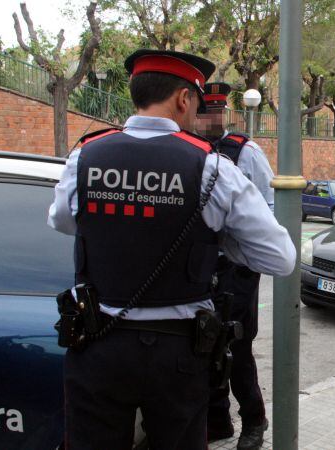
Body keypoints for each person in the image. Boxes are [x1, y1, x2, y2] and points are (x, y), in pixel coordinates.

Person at [47, 49, 296, 450]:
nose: (197, 114)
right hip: (178, 354)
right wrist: (218, 237)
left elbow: (62, 221)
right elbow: (280, 258)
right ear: (183, 98)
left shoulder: (85, 155)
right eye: (196, 104)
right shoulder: (212, 166)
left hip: (98, 342)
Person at [195, 82, 274, 449]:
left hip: (236, 267)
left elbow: (268, 209)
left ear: (224, 113)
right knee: (202, 343)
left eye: (215, 111)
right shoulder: (189, 150)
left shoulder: (245, 151)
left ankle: (254, 421)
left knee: (237, 347)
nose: (209, 119)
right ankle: (218, 421)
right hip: (201, 265)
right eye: (203, 112)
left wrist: (247, 257)